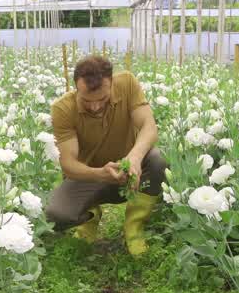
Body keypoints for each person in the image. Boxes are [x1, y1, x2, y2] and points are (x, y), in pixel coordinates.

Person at [45, 55, 165, 255]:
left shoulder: (127, 83)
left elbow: (149, 126)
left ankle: (134, 228)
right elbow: (68, 164)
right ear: (76, 87)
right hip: (88, 177)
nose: (95, 106)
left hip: (129, 173)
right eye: (87, 100)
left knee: (157, 161)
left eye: (102, 99)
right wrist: (101, 174)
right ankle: (90, 217)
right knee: (56, 215)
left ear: (112, 83)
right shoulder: (63, 109)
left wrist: (134, 158)